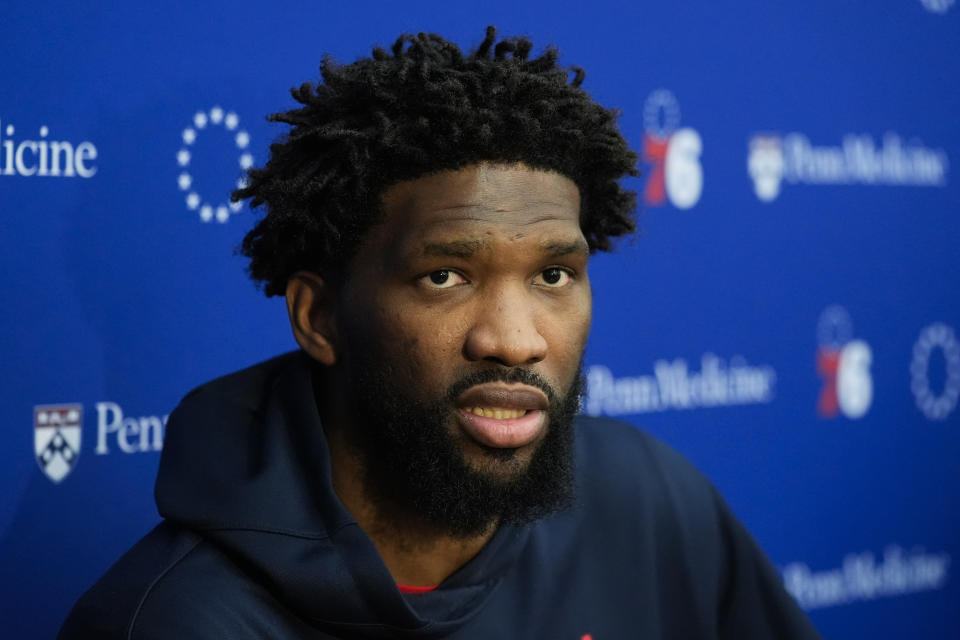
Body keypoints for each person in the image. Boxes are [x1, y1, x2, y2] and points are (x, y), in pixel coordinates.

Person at [59, 27, 821, 639]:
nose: (516, 340)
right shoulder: (180, 620)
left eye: (553, 276)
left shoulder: (651, 501)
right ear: (319, 318)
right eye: (445, 277)